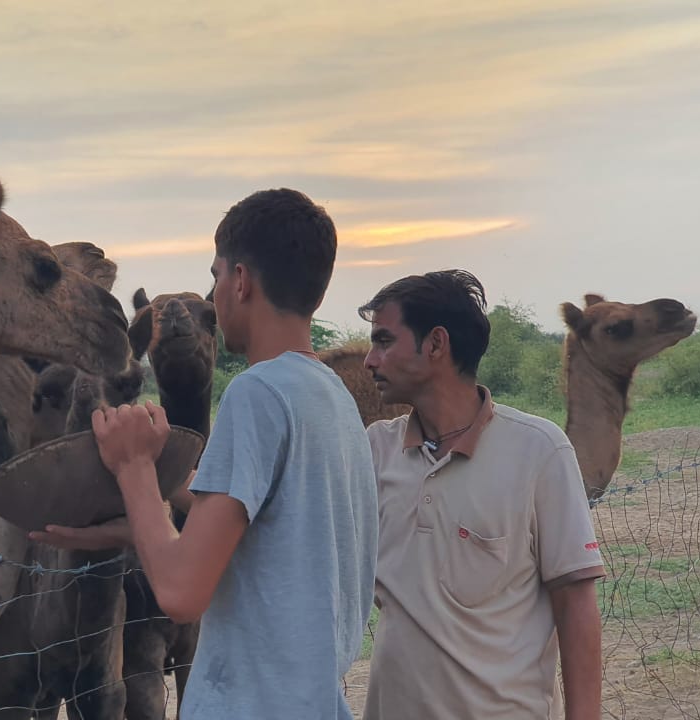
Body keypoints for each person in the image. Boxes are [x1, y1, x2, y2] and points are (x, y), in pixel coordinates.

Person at [29, 188, 378, 718]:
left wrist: (135, 465)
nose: (215, 288)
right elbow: (274, 540)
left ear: (240, 281)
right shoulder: (331, 397)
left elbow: (181, 593)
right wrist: (115, 533)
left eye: (215, 275)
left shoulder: (258, 393)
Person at [357, 270, 604, 720]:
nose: (370, 360)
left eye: (384, 341)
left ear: (435, 344)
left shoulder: (538, 450)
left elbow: (576, 604)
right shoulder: (376, 451)